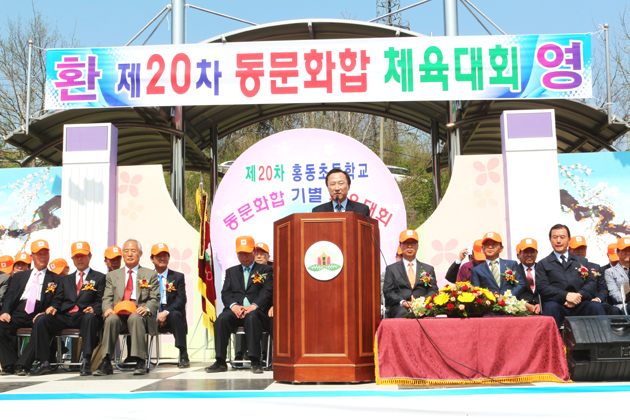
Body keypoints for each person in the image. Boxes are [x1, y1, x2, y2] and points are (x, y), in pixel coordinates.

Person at [19, 242, 106, 376]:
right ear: (72, 259)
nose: (80, 259)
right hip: (65, 316)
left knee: (90, 318)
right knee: (42, 319)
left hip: (83, 315)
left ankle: (86, 360)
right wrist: (52, 307)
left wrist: (94, 309)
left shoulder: (99, 277)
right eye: (76, 256)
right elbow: (58, 299)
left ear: (90, 256)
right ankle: (44, 362)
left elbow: (101, 299)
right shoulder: (65, 279)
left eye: (83, 256)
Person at [206, 236, 273, 374]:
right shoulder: (231, 272)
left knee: (252, 317)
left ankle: (255, 360)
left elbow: (267, 291)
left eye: (247, 253)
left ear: (253, 252)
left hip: (256, 312)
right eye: (241, 253)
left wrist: (254, 305)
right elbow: (226, 293)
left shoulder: (265, 270)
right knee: (221, 319)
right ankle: (220, 361)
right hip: (236, 311)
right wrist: (234, 306)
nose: (244, 256)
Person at [94, 239, 159, 376]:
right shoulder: (112, 276)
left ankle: (140, 360)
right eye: (126, 251)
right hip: (119, 312)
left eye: (133, 251)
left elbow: (155, 298)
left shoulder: (150, 274)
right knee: (111, 319)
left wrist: (146, 308)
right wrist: (107, 309)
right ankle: (106, 360)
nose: (130, 254)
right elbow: (107, 298)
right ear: (123, 254)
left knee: (135, 317)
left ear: (140, 254)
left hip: (139, 313)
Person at [0, 240, 59, 375]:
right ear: (32, 257)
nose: (43, 257)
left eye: (45, 253)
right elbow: (10, 296)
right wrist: (5, 312)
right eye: (39, 254)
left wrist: (46, 311)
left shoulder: (56, 278)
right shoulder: (20, 276)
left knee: (41, 325)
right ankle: (10, 363)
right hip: (20, 309)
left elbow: (58, 299)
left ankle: (23, 364)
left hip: (40, 311)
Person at [536, 224, 605, 328]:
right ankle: (551, 339)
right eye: (555, 237)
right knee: (550, 307)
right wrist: (566, 295)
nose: (558, 241)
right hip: (558, 304)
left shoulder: (582, 261)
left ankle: (602, 338)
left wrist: (578, 296)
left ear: (569, 240)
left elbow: (591, 283)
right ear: (550, 240)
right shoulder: (543, 264)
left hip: (580, 303)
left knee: (595, 306)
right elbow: (543, 287)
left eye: (562, 237)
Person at [149, 242, 189, 368]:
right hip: (152, 312)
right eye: (158, 256)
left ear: (169, 257)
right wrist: (156, 315)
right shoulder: (146, 277)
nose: (162, 258)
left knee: (176, 315)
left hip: (171, 312)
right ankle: (139, 357)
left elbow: (181, 300)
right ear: (152, 259)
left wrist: (165, 313)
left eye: (165, 255)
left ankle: (183, 353)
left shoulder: (177, 276)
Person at [383, 230, 438, 318]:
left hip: (423, 305)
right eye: (405, 243)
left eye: (412, 243)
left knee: (429, 313)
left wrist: (421, 302)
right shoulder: (391, 269)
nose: (409, 246)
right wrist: (403, 302)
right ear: (400, 246)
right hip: (400, 306)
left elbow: (433, 290)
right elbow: (388, 292)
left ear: (417, 246)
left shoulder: (428, 269)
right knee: (402, 312)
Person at [568, 235, 616, 314]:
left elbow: (603, 289)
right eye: (576, 248)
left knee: (614, 310)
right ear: (569, 250)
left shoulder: (595, 267)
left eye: (583, 248)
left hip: (594, 301)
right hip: (574, 303)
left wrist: (598, 299)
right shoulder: (565, 267)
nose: (580, 251)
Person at [471, 232, 524, 297]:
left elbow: (520, 284)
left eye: (494, 244)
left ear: (501, 248)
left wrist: (507, 297)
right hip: (490, 302)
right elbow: (476, 291)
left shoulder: (511, 264)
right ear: (482, 248)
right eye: (487, 244)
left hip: (509, 301)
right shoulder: (476, 270)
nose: (490, 247)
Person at [605, 237, 630, 314]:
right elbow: (615, 295)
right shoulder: (610, 272)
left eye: (629, 250)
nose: (627, 252)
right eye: (624, 250)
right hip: (622, 306)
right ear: (617, 252)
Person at [515, 238, 541, 314]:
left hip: (542, 310)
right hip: (521, 312)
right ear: (520, 253)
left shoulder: (543, 269)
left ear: (536, 253)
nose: (529, 255)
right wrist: (525, 305)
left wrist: (541, 304)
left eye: (532, 252)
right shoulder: (514, 271)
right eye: (526, 252)